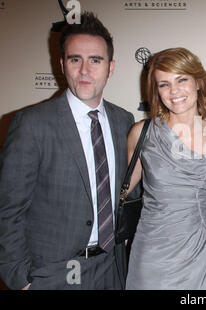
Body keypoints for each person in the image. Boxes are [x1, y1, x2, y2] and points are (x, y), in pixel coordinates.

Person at [0, 12, 134, 290]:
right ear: (62, 65)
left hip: (113, 267)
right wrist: (21, 280)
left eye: (95, 60)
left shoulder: (124, 121)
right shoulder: (32, 123)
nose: (84, 70)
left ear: (110, 67)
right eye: (75, 59)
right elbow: (7, 210)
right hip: (54, 274)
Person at [125, 47, 206, 290]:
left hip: (201, 255)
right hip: (152, 257)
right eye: (164, 84)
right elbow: (122, 191)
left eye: (182, 79)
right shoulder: (142, 133)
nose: (174, 91)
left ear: (198, 82)